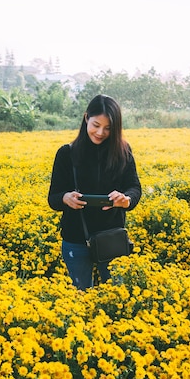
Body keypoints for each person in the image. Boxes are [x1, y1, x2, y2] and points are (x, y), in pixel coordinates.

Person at [48, 94, 142, 290]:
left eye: (108, 128)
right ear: (86, 118)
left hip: (112, 238)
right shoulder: (67, 153)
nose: (100, 132)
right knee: (81, 296)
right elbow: (53, 197)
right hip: (75, 239)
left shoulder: (123, 151)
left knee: (116, 296)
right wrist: (65, 198)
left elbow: (134, 188)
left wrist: (126, 200)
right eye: (96, 125)